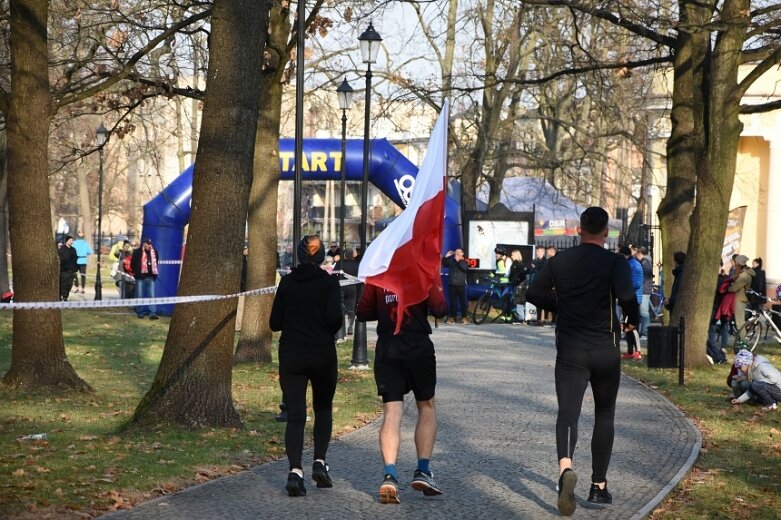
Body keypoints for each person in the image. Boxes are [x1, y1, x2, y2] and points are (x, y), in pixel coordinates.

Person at [527, 206, 638, 516]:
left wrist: (558, 304)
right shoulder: (615, 262)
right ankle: (598, 487)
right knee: (605, 413)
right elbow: (628, 295)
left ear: (579, 230)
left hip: (571, 349)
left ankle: (565, 469)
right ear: (605, 232)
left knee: (568, 413)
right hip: (605, 348)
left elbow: (533, 294)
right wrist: (633, 318)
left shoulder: (559, 261)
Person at [356, 277, 448, 504]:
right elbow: (440, 309)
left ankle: (390, 475)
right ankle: (423, 471)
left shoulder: (379, 273)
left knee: (392, 412)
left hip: (389, 348)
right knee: (426, 406)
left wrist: (387, 306)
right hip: (418, 348)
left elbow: (363, 312)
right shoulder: (423, 271)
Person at [269, 235, 344, 496]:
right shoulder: (329, 284)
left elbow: (274, 322)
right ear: (321, 255)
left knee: (296, 415)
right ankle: (320, 463)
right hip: (322, 353)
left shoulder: (287, 283)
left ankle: (294, 471)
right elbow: (335, 320)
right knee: (323, 409)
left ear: (299, 256)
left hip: (292, 355)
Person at [619, 246, 643, 360]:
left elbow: (637, 283)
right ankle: (630, 351)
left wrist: (623, 287)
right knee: (627, 326)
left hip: (633, 300)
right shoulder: (628, 264)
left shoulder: (635, 265)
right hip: (626, 298)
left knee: (632, 326)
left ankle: (638, 351)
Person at [130, 238, 160, 319]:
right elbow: (132, 264)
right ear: (144, 244)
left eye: (150, 244)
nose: (150, 246)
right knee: (139, 295)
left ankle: (153, 313)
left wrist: (154, 275)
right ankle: (140, 312)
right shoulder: (137, 252)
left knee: (152, 296)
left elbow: (156, 264)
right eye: (148, 244)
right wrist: (136, 272)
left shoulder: (155, 253)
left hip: (150, 277)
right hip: (140, 278)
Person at [728, 255, 755, 332]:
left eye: (736, 262)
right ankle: (741, 341)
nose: (735, 264)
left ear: (739, 264)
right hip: (739, 298)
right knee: (739, 322)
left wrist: (727, 288)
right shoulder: (742, 272)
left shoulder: (744, 275)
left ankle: (743, 343)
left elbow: (735, 287)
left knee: (740, 323)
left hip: (740, 299)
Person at [443, 249, 469, 324]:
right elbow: (443, 263)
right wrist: (446, 256)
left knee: (462, 302)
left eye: (458, 253)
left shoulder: (464, 261)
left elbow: (465, 268)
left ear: (462, 253)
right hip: (452, 284)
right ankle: (452, 318)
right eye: (456, 253)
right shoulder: (451, 260)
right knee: (452, 302)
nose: (456, 254)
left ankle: (464, 318)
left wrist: (459, 261)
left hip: (461, 284)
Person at [340, 248, 360, 335]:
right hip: (352, 288)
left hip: (341, 287)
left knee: (341, 307)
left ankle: (340, 327)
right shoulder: (357, 265)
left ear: (345, 255)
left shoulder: (340, 264)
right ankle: (350, 326)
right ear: (353, 255)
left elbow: (334, 273)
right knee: (351, 308)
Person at [635, 246, 653, 337]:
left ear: (640, 253)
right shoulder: (645, 262)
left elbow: (643, 277)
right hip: (644, 289)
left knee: (644, 312)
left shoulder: (645, 262)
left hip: (644, 290)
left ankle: (645, 333)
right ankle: (643, 332)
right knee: (642, 312)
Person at [508, 249, 529, 323]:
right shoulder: (513, 264)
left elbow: (522, 275)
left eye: (512, 255)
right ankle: (517, 316)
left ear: (516, 255)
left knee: (519, 301)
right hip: (513, 284)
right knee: (515, 301)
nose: (511, 256)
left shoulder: (520, 265)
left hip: (519, 285)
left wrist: (517, 281)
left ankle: (521, 318)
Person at [58, 235, 79, 301]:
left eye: (72, 240)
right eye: (70, 240)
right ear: (66, 241)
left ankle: (66, 295)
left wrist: (75, 268)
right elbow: (61, 259)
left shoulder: (73, 250)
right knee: (64, 284)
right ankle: (63, 296)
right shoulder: (62, 249)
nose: (71, 242)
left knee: (69, 284)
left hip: (71, 270)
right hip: (64, 270)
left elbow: (75, 259)